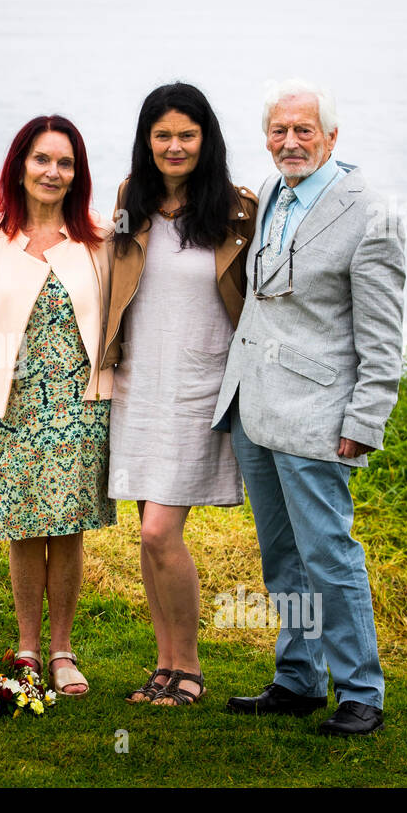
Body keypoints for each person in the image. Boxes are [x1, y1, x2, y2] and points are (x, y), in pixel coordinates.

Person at [211, 78, 406, 736]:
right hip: (254, 408)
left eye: (303, 130)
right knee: (284, 558)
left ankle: (361, 693)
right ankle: (298, 680)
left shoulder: (368, 213)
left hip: (321, 416)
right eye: (278, 131)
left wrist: (365, 422)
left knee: (330, 555)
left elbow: (382, 338)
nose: (290, 142)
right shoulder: (270, 192)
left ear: (331, 137)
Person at [101, 83, 258, 707]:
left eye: (186, 135)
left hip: (202, 389)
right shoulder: (128, 201)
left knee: (160, 532)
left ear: (206, 139)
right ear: (147, 140)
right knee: (147, 529)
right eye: (162, 135)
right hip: (138, 384)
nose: (173, 146)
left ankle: (188, 667)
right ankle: (163, 666)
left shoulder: (238, 208)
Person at [0, 114, 116, 697]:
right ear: (21, 166)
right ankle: (26, 648)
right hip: (11, 406)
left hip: (80, 405)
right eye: (42, 159)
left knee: (69, 528)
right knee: (22, 528)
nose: (53, 171)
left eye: (66, 162)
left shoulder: (99, 238)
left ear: (78, 174)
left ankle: (62, 651)